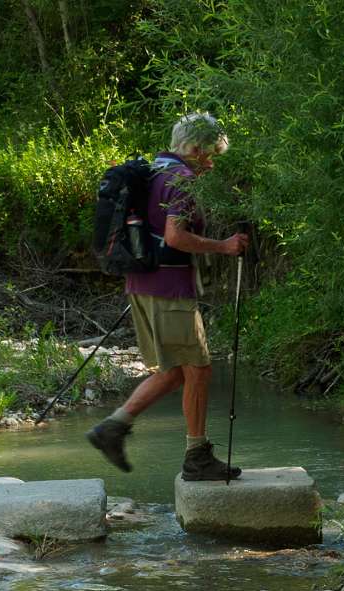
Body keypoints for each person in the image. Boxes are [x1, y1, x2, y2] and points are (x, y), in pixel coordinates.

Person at [87, 113, 250, 483]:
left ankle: (113, 428)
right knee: (199, 368)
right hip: (169, 289)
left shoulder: (154, 170)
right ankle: (197, 457)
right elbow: (175, 237)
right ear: (195, 149)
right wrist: (224, 246)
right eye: (211, 154)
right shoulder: (183, 180)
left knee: (175, 371)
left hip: (142, 283)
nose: (212, 164)